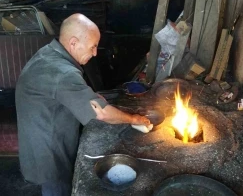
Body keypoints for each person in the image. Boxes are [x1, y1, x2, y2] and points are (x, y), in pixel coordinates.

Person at [15, 13, 150, 196]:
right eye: (93, 47)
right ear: (73, 43)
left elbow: (64, 91)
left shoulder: (49, 53)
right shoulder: (63, 73)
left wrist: (90, 96)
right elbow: (102, 113)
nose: (95, 53)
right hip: (49, 153)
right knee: (57, 189)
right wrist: (134, 118)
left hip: (39, 137)